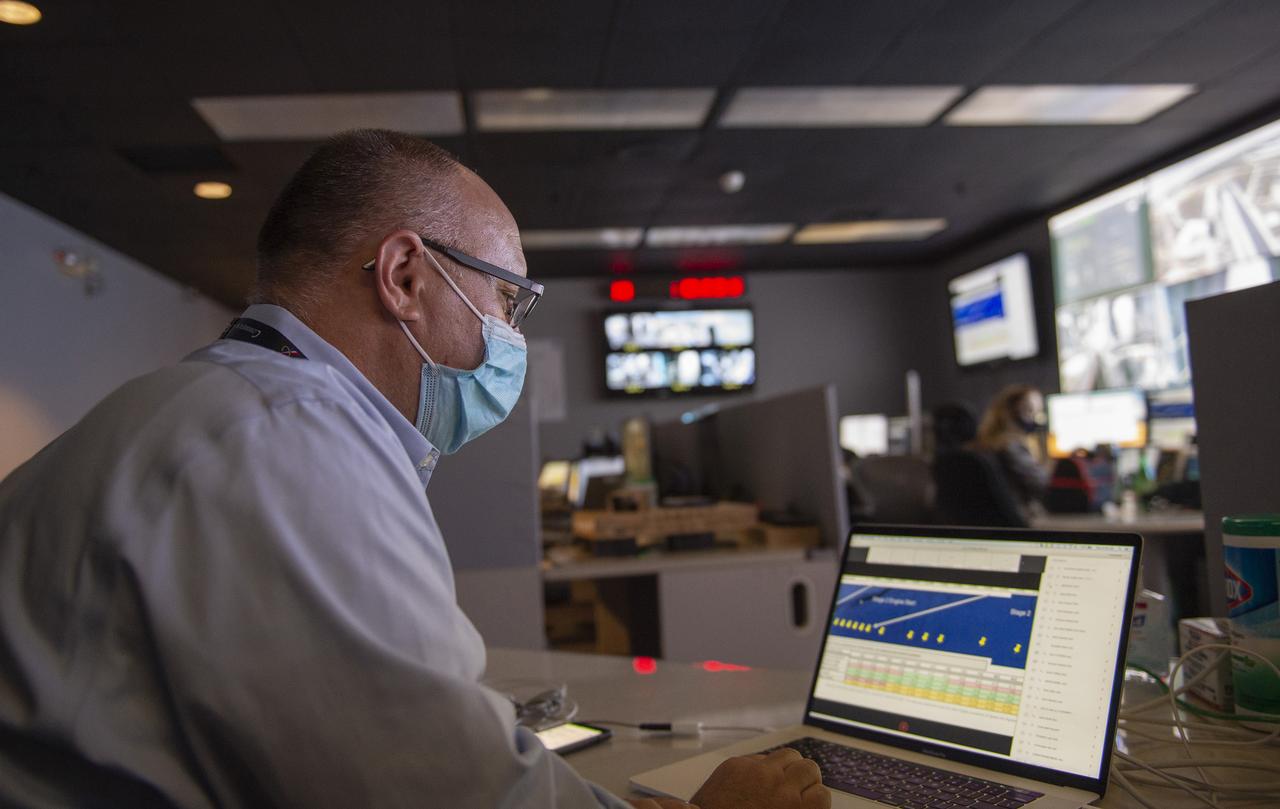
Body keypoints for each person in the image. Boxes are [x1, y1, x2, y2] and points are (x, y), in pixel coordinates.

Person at [0, 130, 829, 809]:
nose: (510, 334)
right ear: (404, 277)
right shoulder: (291, 448)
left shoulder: (203, 409)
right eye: (507, 300)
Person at [973, 385, 1049, 516]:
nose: (1036, 417)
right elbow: (1042, 484)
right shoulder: (1010, 446)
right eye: (1030, 410)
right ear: (1012, 412)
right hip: (1022, 517)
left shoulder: (983, 443)